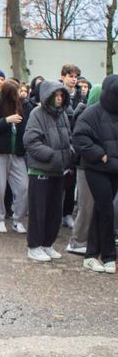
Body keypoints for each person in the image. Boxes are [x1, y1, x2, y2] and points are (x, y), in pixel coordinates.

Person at [73, 75, 118, 274]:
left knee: (102, 211)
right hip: (96, 168)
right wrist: (100, 155)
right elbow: (79, 137)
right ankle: (108, 256)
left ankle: (92, 255)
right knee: (106, 210)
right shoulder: (92, 113)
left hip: (114, 169)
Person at [23, 80, 72, 262]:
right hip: (40, 170)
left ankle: (47, 244)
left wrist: (69, 154)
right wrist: (52, 155)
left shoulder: (63, 115)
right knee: (38, 210)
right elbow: (31, 141)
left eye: (61, 96)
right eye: (56, 96)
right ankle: (34, 246)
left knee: (54, 211)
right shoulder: (37, 114)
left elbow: (69, 137)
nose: (59, 99)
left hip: (59, 171)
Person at [0, 79, 31, 234]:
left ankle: (17, 219)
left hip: (17, 153)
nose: (19, 95)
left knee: (24, 187)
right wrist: (7, 120)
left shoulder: (23, 105)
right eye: (15, 92)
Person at [67, 85, 103, 255]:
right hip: (85, 166)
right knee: (86, 205)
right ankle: (77, 241)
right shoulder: (86, 116)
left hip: (94, 166)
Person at [60, 64, 82, 229]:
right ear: (63, 77)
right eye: (70, 76)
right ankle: (57, 213)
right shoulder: (58, 94)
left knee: (71, 181)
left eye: (75, 76)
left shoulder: (81, 95)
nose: (73, 79)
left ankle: (67, 213)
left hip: (77, 142)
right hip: (61, 141)